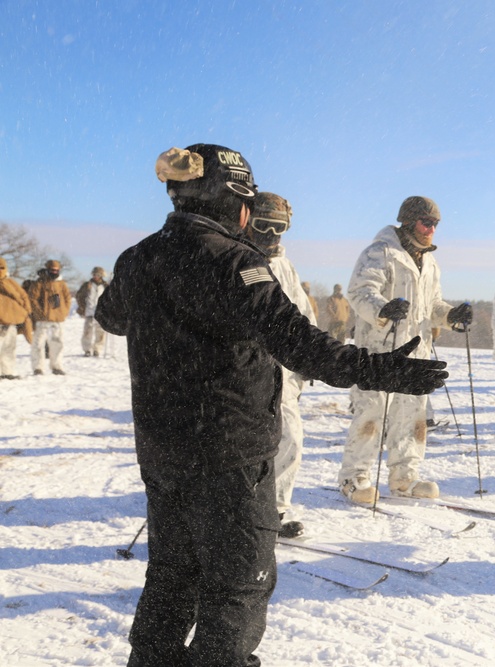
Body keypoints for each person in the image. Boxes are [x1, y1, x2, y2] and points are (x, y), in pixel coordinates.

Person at [96, 144, 447, 666]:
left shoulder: (139, 257)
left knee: (172, 577)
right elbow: (301, 344)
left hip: (163, 451)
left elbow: (111, 317)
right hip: (229, 457)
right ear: (231, 201)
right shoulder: (235, 263)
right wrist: (383, 370)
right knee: (237, 585)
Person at [339, 195, 471, 504]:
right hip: (380, 351)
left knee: (412, 417)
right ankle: (353, 478)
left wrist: (450, 316)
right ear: (409, 222)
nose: (431, 230)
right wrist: (382, 309)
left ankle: (404, 477)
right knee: (372, 414)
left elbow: (432, 305)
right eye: (427, 223)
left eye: (436, 224)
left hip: (416, 352)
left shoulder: (430, 261)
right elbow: (359, 292)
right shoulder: (379, 253)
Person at [244, 192, 315, 539]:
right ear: (247, 222)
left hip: (283, 374)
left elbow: (302, 314)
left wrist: (313, 356)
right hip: (243, 375)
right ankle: (241, 513)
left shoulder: (284, 264)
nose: (272, 236)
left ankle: (275, 509)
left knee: (290, 440)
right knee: (245, 448)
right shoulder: (238, 259)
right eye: (263, 226)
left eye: (280, 228)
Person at [24, 259, 72, 375]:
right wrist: (39, 313)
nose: (54, 272)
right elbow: (32, 298)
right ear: (47, 270)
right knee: (38, 344)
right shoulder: (39, 283)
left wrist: (64, 312)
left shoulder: (62, 284)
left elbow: (67, 299)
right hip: (42, 320)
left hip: (58, 319)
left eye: (56, 270)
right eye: (52, 270)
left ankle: (57, 366)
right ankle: (38, 367)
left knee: (57, 343)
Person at [0, 257, 33, 379]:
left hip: (11, 321)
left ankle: (7, 372)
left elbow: (23, 296)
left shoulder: (11, 282)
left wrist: (26, 311)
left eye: (2, 268)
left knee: (9, 348)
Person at [76, 266, 108, 357]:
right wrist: (82, 307)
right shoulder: (87, 285)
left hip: (101, 313)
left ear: (101, 275)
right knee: (87, 332)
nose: (95, 276)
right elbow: (79, 296)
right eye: (94, 274)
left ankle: (97, 349)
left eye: (97, 274)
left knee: (100, 332)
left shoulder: (105, 286)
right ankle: (87, 349)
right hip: (89, 311)